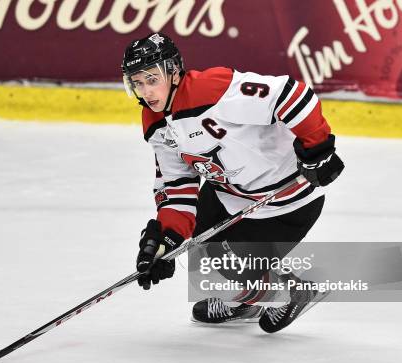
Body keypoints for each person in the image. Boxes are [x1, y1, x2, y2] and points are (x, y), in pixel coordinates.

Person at [122, 32, 344, 333]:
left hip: (285, 201)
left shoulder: (211, 90)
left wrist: (318, 148)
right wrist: (166, 240)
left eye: (151, 79)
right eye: (137, 82)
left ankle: (290, 292)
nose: (145, 91)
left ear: (174, 72)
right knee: (195, 252)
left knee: (222, 265)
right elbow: (178, 186)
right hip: (229, 193)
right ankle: (248, 301)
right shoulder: (155, 121)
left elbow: (293, 95)